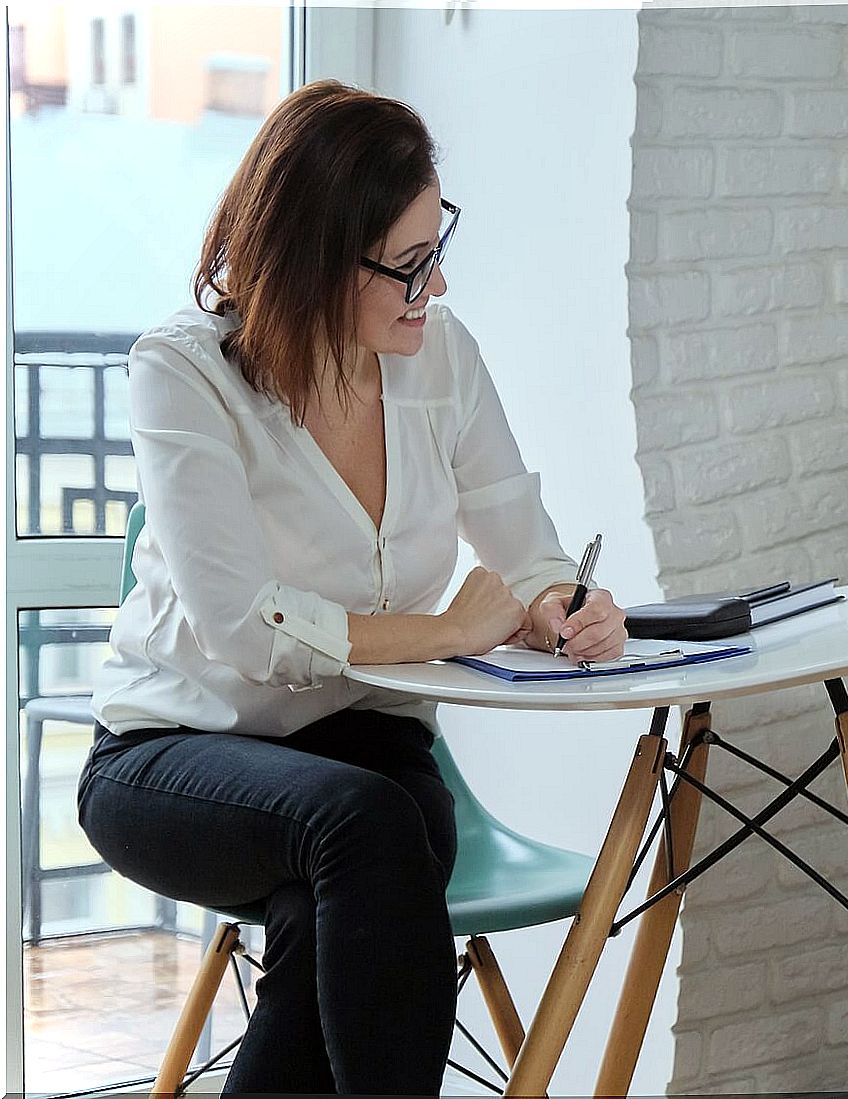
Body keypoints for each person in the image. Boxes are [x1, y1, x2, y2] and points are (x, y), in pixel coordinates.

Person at [77, 80, 628, 1095]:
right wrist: (444, 628)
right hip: (172, 753)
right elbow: (242, 628)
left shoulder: (442, 357)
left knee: (356, 860)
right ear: (317, 259)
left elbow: (518, 536)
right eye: (410, 268)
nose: (438, 291)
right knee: (368, 829)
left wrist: (560, 600)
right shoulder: (184, 372)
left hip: (364, 751)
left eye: (437, 253)